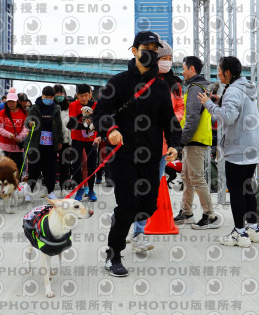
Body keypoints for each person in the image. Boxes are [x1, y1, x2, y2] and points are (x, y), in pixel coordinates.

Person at [93, 31, 181, 277]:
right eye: (146, 48)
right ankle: (114, 255)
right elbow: (101, 113)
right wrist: (111, 129)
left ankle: (122, 218)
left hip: (151, 156)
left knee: (148, 206)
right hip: (123, 155)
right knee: (128, 204)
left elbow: (169, 120)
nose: (150, 52)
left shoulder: (161, 88)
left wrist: (175, 144)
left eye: (154, 49)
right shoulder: (118, 82)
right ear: (134, 50)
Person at [198, 56, 259, 248]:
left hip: (239, 147)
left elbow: (228, 117)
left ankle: (239, 232)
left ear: (227, 72)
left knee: (236, 189)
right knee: (247, 187)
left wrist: (209, 104)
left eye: (219, 71)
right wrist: (218, 101)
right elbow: (236, 109)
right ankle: (253, 229)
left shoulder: (233, 90)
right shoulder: (245, 87)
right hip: (253, 146)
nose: (218, 74)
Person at [130, 39, 184, 252]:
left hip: (163, 145)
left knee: (149, 188)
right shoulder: (139, 81)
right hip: (138, 144)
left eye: (170, 59)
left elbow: (180, 107)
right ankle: (126, 224)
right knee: (133, 187)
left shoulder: (174, 84)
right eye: (164, 58)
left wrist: (172, 119)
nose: (167, 62)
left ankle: (139, 232)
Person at [172, 55, 219, 229]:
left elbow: (192, 117)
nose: (182, 72)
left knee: (197, 178)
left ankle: (210, 216)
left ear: (192, 69)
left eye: (184, 68)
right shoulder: (199, 86)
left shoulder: (195, 88)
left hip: (195, 139)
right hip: (194, 138)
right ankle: (187, 213)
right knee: (187, 177)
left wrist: (181, 141)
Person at [26, 86, 63, 201]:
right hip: (36, 143)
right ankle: (28, 192)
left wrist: (60, 140)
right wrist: (30, 123)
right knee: (34, 168)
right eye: (46, 97)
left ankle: (50, 192)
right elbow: (27, 121)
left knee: (50, 169)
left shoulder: (55, 108)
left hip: (51, 144)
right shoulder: (35, 107)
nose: (48, 99)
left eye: (51, 97)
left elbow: (59, 125)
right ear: (42, 96)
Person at [67, 84, 99, 202]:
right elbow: (72, 123)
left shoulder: (95, 105)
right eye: (81, 96)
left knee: (92, 165)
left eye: (86, 95)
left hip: (91, 139)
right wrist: (86, 125)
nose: (84, 98)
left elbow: (98, 122)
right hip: (77, 139)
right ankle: (79, 189)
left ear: (90, 94)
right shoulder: (73, 105)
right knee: (76, 165)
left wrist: (92, 126)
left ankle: (91, 190)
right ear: (77, 95)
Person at [0, 88, 28, 173]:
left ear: (17, 101)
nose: (11, 104)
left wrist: (20, 137)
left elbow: (25, 127)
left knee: (17, 169)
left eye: (13, 101)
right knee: (3, 170)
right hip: (4, 146)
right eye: (9, 101)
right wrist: (9, 135)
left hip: (18, 147)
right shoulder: (2, 113)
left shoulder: (23, 113)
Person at [53, 84, 74, 190]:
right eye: (57, 93)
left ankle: (63, 187)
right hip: (52, 140)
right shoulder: (51, 107)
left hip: (66, 140)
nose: (59, 95)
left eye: (61, 93)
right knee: (50, 165)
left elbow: (70, 127)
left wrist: (70, 143)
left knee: (65, 165)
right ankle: (49, 188)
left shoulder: (69, 107)